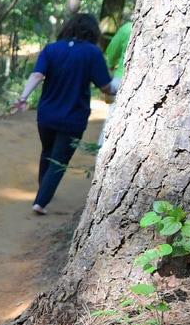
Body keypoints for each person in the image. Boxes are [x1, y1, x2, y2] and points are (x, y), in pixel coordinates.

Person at [10, 12, 118, 214]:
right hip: (73, 117)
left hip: (47, 115)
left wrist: (23, 97)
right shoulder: (92, 53)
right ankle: (40, 202)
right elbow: (106, 87)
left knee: (48, 152)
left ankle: (44, 190)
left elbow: (36, 75)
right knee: (59, 159)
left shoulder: (51, 49)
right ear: (93, 31)